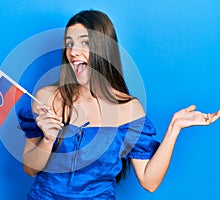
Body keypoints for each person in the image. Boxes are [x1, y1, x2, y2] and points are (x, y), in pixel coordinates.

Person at [18, 10, 220, 199]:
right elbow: (29, 169)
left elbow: (149, 182)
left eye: (85, 43)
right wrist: (48, 139)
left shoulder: (128, 108)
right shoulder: (46, 98)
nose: (73, 52)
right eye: (69, 43)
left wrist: (174, 128)